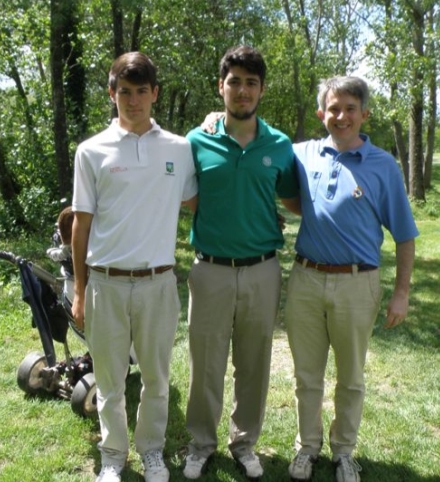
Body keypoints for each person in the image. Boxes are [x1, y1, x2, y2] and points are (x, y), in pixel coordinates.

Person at [284, 76, 418, 482]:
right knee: (307, 374)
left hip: (359, 283)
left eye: (350, 108)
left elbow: (406, 234)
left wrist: (401, 294)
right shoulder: (302, 153)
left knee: (351, 376)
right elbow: (260, 147)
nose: (341, 116)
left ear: (364, 114)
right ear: (323, 112)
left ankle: (344, 452)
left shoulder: (383, 165)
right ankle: (306, 448)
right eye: (334, 108)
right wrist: (216, 118)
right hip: (306, 279)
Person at [71, 52, 198, 482]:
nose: (133, 100)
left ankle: (152, 451)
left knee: (157, 380)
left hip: (158, 283)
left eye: (142, 91)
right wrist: (78, 290)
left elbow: (196, 200)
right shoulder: (90, 151)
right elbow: (80, 223)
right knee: (109, 380)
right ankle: (112, 455)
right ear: (112, 94)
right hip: (105, 283)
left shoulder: (179, 149)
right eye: (124, 91)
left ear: (155, 94)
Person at [182, 45, 300, 480]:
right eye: (234, 81)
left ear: (262, 90)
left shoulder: (280, 145)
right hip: (209, 268)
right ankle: (201, 443)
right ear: (221, 87)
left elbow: (295, 200)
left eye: (251, 82)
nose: (243, 90)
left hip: (262, 269)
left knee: (254, 361)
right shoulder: (197, 140)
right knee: (205, 361)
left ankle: (244, 442)